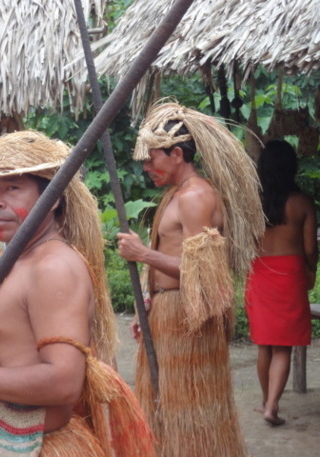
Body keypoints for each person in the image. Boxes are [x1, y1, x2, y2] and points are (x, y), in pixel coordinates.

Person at [0, 130, 155, 457]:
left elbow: (65, 382)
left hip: (35, 447)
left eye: (12, 188)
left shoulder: (53, 269)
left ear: (52, 198)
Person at [116, 101, 265, 457]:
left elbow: (204, 274)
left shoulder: (196, 196)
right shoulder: (177, 195)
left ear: (177, 153)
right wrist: (147, 305)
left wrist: (143, 255)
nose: (146, 166)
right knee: (165, 404)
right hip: (169, 313)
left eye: (152, 157)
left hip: (189, 319)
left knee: (190, 411)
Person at [245, 139, 318, 426]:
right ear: (292, 168)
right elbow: (311, 248)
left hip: (260, 272)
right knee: (283, 346)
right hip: (290, 274)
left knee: (265, 344)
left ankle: (267, 400)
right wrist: (310, 269)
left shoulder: (253, 203)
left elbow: (246, 245)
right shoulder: (302, 203)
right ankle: (272, 405)